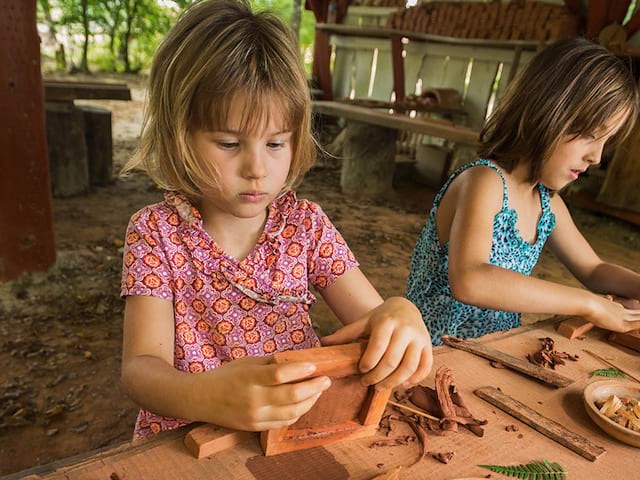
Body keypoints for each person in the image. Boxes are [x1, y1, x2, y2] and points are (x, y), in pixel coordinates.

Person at [120, 0, 432, 439]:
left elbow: (374, 318)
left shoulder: (304, 227)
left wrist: (401, 313)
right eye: (229, 143)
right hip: (186, 438)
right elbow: (140, 370)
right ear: (178, 135)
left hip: (291, 434)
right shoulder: (157, 234)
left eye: (276, 143)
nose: (257, 169)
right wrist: (207, 396)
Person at [406, 37, 640, 346]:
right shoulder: (484, 181)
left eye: (605, 142)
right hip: (434, 351)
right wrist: (590, 303)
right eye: (589, 135)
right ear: (545, 111)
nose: (595, 157)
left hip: (494, 350)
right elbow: (471, 279)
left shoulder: (547, 203)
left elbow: (593, 269)